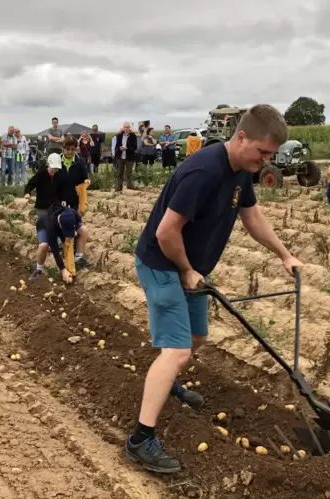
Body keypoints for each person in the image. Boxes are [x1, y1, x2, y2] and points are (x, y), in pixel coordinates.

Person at [126, 104, 303, 473]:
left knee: (196, 339)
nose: (266, 161)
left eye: (271, 154)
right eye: (262, 152)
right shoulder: (203, 171)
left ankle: (167, 381)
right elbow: (165, 232)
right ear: (241, 137)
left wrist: (285, 255)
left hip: (187, 266)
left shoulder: (242, 170)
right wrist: (187, 270)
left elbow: (251, 216)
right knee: (176, 350)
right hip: (162, 264)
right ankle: (140, 439)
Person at [29, 205, 89, 282]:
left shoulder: (73, 213)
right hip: (43, 227)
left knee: (84, 230)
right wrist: (63, 270)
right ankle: (39, 270)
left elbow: (78, 221)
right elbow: (55, 250)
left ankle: (78, 259)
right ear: (60, 225)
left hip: (65, 224)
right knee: (44, 245)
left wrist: (73, 231)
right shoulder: (50, 226)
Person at [24, 153, 70, 219]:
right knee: (43, 224)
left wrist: (63, 199)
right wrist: (27, 192)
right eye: (54, 167)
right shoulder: (41, 174)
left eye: (57, 168)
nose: (56, 169)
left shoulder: (59, 176)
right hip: (42, 205)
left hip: (55, 206)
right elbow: (31, 184)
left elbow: (62, 189)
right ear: (49, 164)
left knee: (54, 225)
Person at [61, 137, 90, 214]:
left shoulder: (80, 161)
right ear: (63, 149)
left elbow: (84, 176)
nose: (70, 151)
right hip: (60, 196)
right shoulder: (57, 161)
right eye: (67, 149)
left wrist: (86, 180)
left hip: (75, 196)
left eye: (72, 149)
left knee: (75, 217)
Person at [114, 122, 138, 191]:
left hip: (129, 157)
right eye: (125, 127)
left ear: (129, 128)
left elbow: (135, 147)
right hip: (120, 157)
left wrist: (127, 148)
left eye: (128, 127)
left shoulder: (133, 136)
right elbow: (116, 146)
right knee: (119, 173)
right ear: (123, 128)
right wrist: (119, 148)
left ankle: (130, 187)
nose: (127, 128)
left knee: (129, 173)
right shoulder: (119, 135)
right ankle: (119, 187)